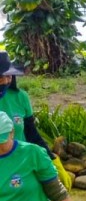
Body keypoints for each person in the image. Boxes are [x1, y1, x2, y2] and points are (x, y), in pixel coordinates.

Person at [0, 52, 72, 190]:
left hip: (21, 165)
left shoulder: (20, 97)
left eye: (8, 76)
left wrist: (52, 160)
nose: (5, 82)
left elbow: (31, 134)